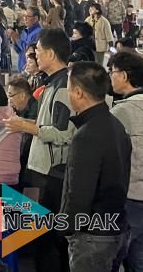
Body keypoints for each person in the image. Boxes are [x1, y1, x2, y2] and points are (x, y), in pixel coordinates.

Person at [4, 28, 75, 271]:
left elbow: (64, 133)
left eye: (39, 51)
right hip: (39, 170)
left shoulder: (64, 88)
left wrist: (26, 126)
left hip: (50, 174)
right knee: (35, 237)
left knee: (48, 241)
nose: (34, 55)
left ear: (52, 54)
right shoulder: (51, 85)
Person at [61, 62, 131, 271]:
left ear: (79, 92)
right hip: (115, 227)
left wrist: (67, 227)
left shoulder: (87, 135)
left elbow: (79, 194)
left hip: (93, 235)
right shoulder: (115, 124)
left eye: (68, 89)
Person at [109, 52, 143, 271]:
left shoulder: (121, 111)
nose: (110, 77)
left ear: (124, 75)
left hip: (129, 197)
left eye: (112, 72)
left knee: (115, 258)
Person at [6, 76, 39, 187]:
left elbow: (37, 124)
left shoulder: (36, 107)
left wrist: (20, 122)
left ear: (22, 95)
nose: (9, 100)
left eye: (11, 95)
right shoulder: (17, 108)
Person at [10, 5, 43, 73]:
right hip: (21, 67)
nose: (25, 18)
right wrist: (14, 40)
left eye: (28, 16)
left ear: (35, 18)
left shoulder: (39, 32)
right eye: (24, 16)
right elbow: (19, 51)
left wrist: (17, 38)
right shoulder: (24, 31)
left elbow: (29, 50)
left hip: (31, 69)